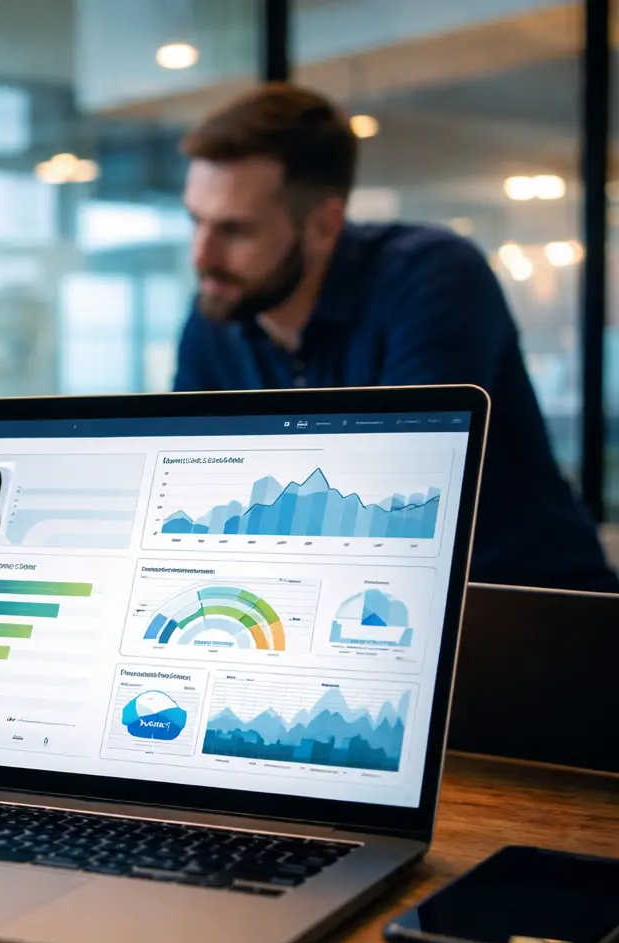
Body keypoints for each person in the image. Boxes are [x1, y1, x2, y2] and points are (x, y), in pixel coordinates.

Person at [172, 83, 618, 593]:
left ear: (324, 225)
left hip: (527, 603)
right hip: (350, 606)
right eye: (195, 221)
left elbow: (394, 503)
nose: (201, 255)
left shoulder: (432, 276)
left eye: (235, 230)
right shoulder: (219, 311)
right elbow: (195, 489)